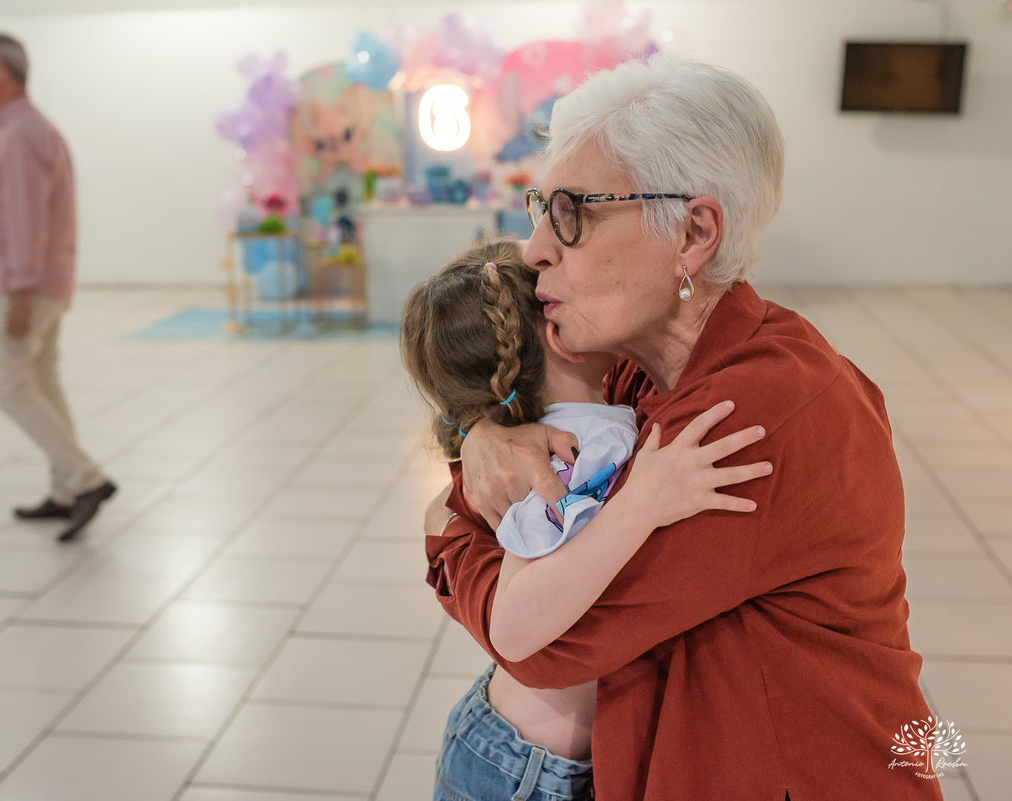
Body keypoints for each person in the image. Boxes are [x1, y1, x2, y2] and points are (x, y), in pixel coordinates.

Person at [423, 56, 942, 801]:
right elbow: (532, 467)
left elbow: (551, 643)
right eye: (542, 208)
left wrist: (445, 529)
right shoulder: (639, 367)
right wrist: (481, 434)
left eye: (572, 212)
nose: (535, 246)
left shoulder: (750, 418)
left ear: (693, 233)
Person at [401, 241, 771, 801]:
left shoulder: (578, 428)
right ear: (559, 333)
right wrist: (643, 504)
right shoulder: (569, 451)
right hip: (522, 771)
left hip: (527, 755)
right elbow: (515, 628)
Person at [0, 33, 115, 543]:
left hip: (26, 283)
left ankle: (84, 478)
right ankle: (66, 489)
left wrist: (22, 290)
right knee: (44, 381)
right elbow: (20, 214)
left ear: (3, 72)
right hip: (37, 275)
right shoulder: (22, 128)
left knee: (7, 383)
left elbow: (29, 218)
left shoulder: (23, 132)